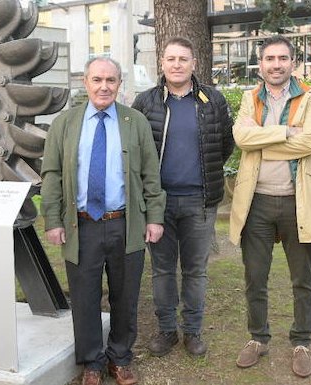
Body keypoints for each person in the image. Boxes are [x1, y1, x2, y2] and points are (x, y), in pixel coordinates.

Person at [40, 56, 166, 385]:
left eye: (111, 80)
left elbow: (151, 174)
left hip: (126, 224)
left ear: (119, 84)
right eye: (97, 79)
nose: (104, 86)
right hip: (81, 226)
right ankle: (92, 363)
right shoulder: (64, 124)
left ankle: (120, 358)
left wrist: (155, 217)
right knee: (84, 296)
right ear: (86, 82)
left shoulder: (134, 121)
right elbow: (51, 175)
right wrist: (53, 219)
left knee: (125, 295)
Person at [228, 35, 311, 378]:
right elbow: (241, 139)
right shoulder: (249, 98)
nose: (275, 64)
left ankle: (301, 341)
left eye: (282, 58)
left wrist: (262, 140)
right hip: (256, 202)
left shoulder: (310, 96)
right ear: (261, 64)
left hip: (297, 202)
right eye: (269, 58)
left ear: (292, 63)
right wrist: (287, 131)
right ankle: (258, 338)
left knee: (303, 278)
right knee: (255, 277)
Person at [131, 36, 234, 357]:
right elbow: (135, 151)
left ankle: (192, 331)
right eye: (171, 59)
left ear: (193, 64)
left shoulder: (212, 101)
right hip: (157, 204)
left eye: (183, 59)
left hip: (200, 203)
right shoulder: (145, 103)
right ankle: (166, 331)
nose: (177, 65)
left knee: (195, 271)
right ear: (161, 63)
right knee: (162, 270)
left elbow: (224, 145)